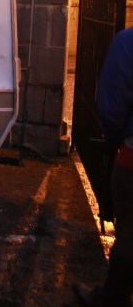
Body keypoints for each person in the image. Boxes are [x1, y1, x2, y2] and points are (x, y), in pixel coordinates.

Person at [76, 28, 133, 307]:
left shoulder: (128, 43)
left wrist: (112, 138)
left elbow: (113, 107)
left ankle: (112, 300)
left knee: (129, 235)